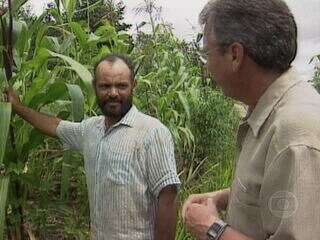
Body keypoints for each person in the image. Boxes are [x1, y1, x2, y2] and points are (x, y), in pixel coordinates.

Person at [182, 0, 320, 240]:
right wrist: (222, 197)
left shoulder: (294, 133)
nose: (207, 68)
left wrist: (211, 228)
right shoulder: (270, 110)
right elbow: (275, 194)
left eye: (208, 53)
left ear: (235, 55)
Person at [5, 53, 180, 240]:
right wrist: (18, 108)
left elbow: (168, 197)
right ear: (94, 86)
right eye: (105, 86)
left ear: (133, 85)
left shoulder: (152, 132)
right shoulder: (90, 129)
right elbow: (55, 125)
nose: (113, 93)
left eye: (121, 85)